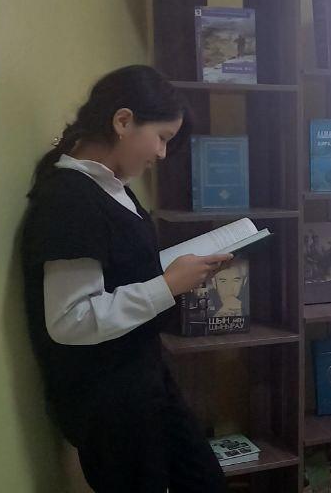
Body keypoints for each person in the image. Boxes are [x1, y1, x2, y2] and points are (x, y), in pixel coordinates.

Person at [20, 65, 232, 492]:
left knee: (205, 480)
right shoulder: (67, 199)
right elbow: (70, 320)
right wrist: (168, 285)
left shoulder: (112, 185)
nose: (163, 154)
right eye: (162, 138)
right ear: (122, 121)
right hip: (109, 401)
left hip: (144, 375)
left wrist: (176, 271)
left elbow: (121, 269)